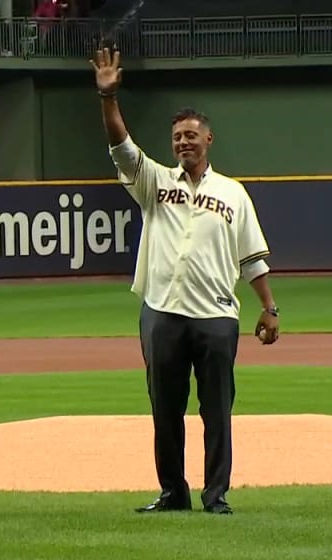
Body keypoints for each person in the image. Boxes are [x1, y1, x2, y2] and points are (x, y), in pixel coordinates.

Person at [90, 47, 280, 515]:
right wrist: (107, 98)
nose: (183, 143)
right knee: (165, 412)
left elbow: (252, 257)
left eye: (191, 135)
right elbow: (122, 148)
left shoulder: (233, 194)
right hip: (162, 312)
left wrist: (270, 309)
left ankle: (216, 496)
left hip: (216, 316)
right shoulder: (156, 183)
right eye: (176, 137)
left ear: (209, 139)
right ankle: (173, 492)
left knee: (216, 412)